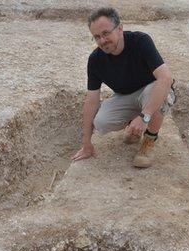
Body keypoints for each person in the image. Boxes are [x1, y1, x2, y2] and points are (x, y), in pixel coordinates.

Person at [71, 7, 175, 168]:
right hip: (126, 96)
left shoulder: (140, 41)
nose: (102, 41)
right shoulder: (95, 60)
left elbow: (166, 78)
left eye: (106, 33)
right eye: (97, 37)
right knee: (101, 121)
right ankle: (133, 128)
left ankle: (149, 140)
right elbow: (91, 101)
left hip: (152, 91)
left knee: (160, 92)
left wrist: (145, 117)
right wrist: (86, 144)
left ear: (120, 28)